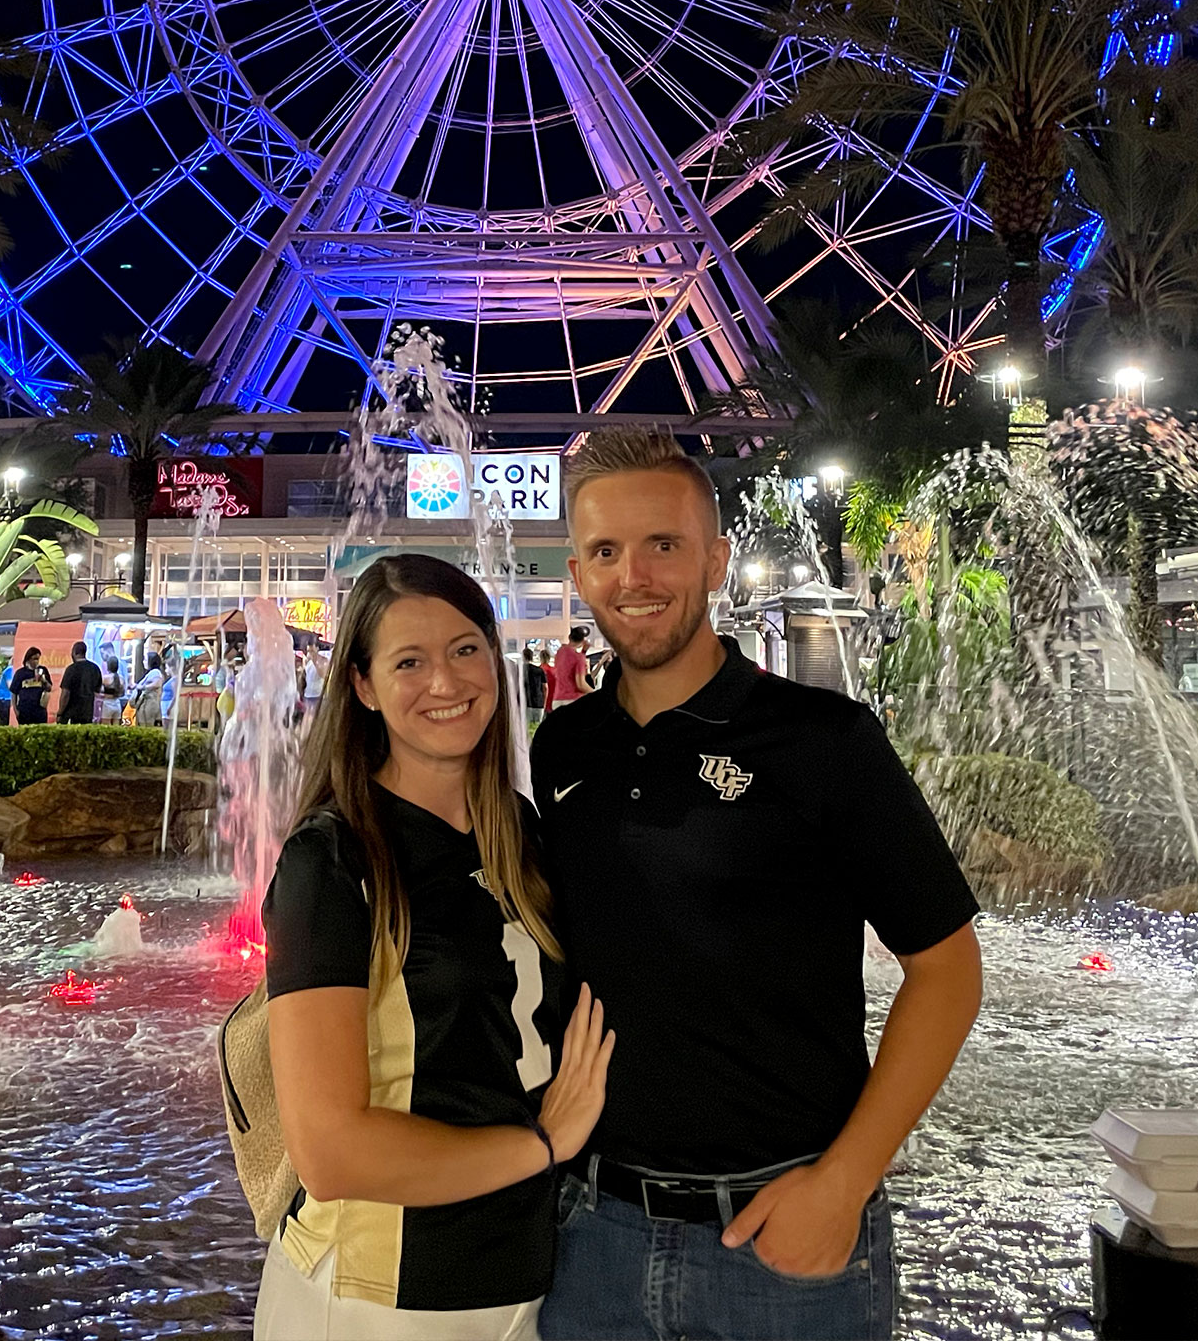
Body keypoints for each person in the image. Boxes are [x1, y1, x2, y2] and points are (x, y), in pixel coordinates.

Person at [534, 429, 981, 1341]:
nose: (636, 577)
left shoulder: (825, 741)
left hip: (784, 1244)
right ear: (578, 573)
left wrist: (845, 1183)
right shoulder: (563, 748)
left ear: (715, 561)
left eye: (664, 544)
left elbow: (948, 972)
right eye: (607, 553)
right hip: (593, 1238)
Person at [260, 552, 615, 1338]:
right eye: (409, 662)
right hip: (378, 1295)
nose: (447, 683)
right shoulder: (336, 858)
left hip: (523, 1280)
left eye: (464, 649)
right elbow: (330, 1149)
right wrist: (544, 1144)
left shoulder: (518, 830)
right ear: (362, 686)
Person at [58, 640, 104, 725]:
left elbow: (65, 694)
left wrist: (60, 712)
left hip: (71, 714)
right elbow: (98, 691)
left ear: (74, 652)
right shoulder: (95, 669)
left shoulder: (71, 670)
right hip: (88, 713)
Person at [547, 627, 595, 708]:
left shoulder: (560, 652)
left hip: (557, 699)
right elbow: (580, 685)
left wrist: (583, 652)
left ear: (569, 637)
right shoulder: (579, 658)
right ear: (583, 641)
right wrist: (595, 693)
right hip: (573, 700)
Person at [10, 646, 55, 725]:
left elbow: (49, 688)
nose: (36, 661)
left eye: (38, 659)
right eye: (34, 659)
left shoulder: (43, 670)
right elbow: (14, 693)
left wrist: (43, 680)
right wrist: (16, 711)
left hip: (39, 710)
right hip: (25, 710)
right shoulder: (20, 673)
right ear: (28, 659)